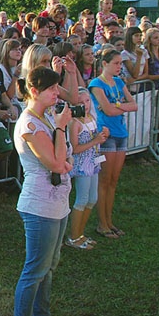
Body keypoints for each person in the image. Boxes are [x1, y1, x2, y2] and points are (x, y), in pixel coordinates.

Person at [11, 66, 75, 316]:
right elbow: (56, 164)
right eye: (52, 89)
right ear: (35, 91)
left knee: (49, 267)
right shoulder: (30, 125)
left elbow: (66, 157)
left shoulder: (46, 116)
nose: (57, 93)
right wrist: (61, 128)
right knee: (34, 270)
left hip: (58, 202)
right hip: (39, 205)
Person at [88, 48, 137, 239]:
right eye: (116, 63)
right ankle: (102, 223)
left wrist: (117, 106)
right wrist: (119, 107)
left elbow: (134, 104)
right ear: (105, 64)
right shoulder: (96, 84)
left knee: (114, 180)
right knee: (105, 180)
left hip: (120, 133)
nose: (119, 67)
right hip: (105, 134)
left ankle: (109, 220)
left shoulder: (118, 82)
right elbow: (107, 111)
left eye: (120, 63)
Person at [65, 89, 109, 250]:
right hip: (82, 165)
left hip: (93, 163)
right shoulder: (75, 123)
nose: (86, 105)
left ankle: (81, 233)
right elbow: (74, 149)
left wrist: (103, 136)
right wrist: (95, 140)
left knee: (92, 199)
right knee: (82, 199)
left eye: (88, 101)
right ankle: (73, 236)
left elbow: (95, 139)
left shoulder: (91, 118)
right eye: (81, 102)